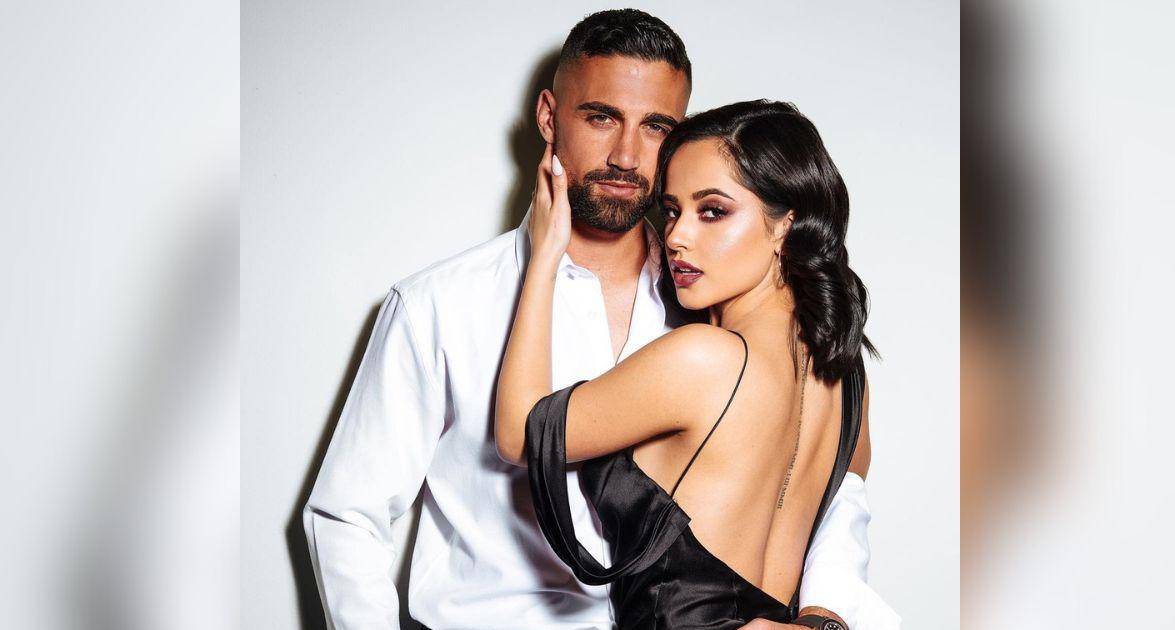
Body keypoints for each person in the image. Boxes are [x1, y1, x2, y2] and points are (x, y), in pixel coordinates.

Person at [305, 10, 899, 630]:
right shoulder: (440, 304)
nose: (626, 155)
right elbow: (348, 516)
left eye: (656, 127)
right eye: (601, 117)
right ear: (548, 117)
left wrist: (824, 616)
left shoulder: (714, 308)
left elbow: (836, 494)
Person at [494, 99, 883, 630]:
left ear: (785, 226)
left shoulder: (703, 358)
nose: (676, 235)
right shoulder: (847, 378)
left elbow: (520, 434)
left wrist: (544, 257)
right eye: (672, 210)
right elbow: (843, 520)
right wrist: (823, 622)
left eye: (713, 211)